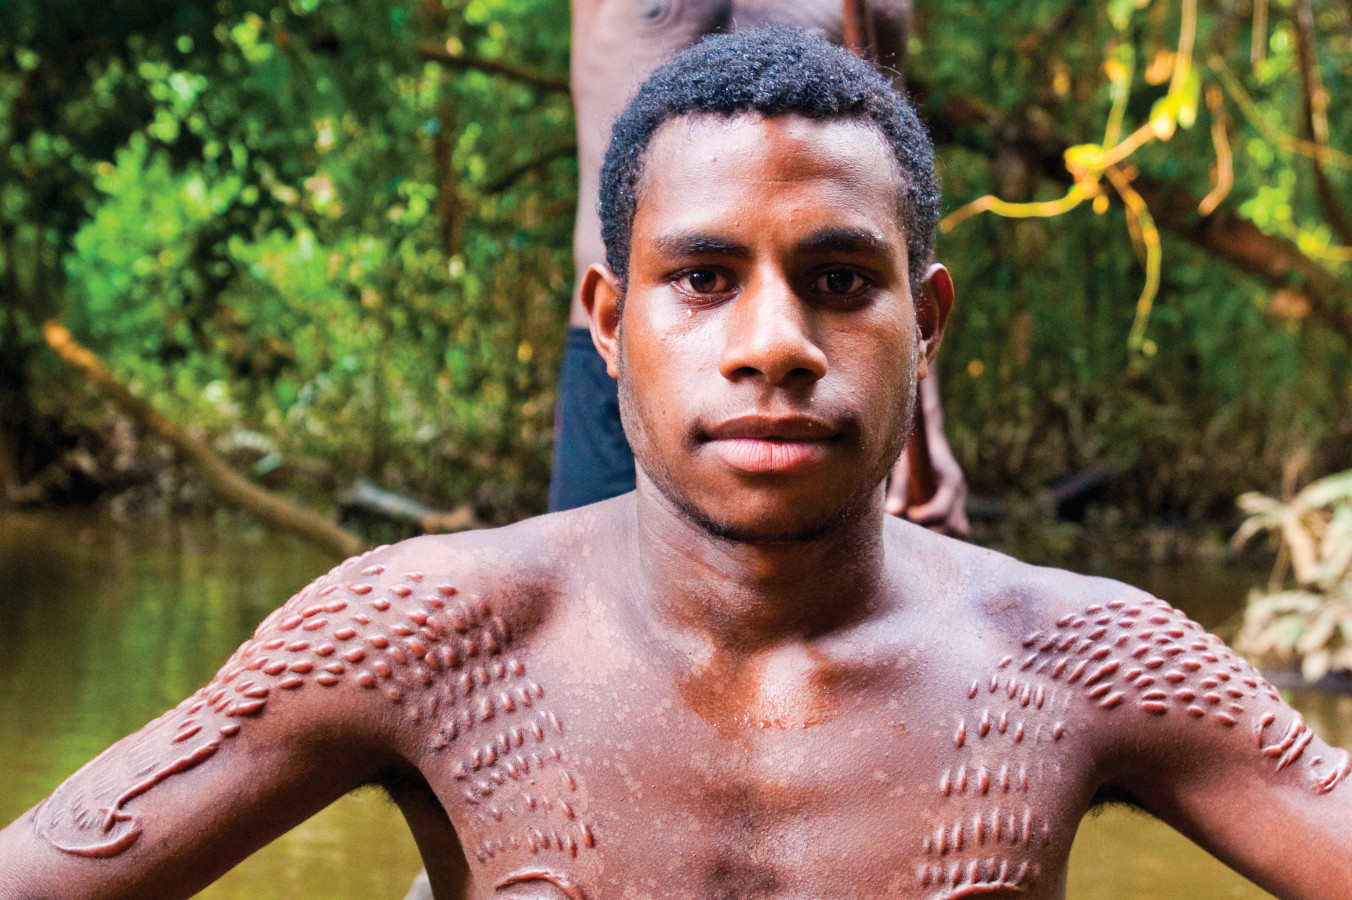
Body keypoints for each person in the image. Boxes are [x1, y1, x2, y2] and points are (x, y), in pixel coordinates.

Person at [2, 28, 1349, 900]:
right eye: (703, 278)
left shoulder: (1081, 661)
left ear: (924, 324)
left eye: (838, 280)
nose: (775, 344)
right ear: (608, 321)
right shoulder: (425, 635)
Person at [552, 0, 970, 536]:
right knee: (595, 597)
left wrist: (919, 414)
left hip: (839, 359)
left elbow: (889, 196)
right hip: (622, 355)